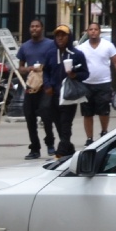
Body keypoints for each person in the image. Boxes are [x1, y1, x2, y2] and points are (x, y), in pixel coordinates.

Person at [17, 18, 60, 160]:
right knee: (29, 115)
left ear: (42, 28)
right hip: (31, 86)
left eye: (37, 26)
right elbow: (20, 67)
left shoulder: (50, 45)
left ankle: (50, 143)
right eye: (32, 26)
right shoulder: (25, 47)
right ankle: (34, 148)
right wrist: (28, 68)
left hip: (45, 86)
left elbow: (55, 63)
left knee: (46, 112)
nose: (34, 29)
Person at [77, 21, 116, 143]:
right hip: (86, 84)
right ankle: (89, 138)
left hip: (103, 83)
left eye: (95, 29)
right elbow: (76, 64)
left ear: (99, 31)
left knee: (104, 111)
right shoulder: (81, 48)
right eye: (90, 29)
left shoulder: (108, 46)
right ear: (87, 32)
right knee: (87, 113)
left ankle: (104, 132)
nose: (93, 31)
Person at [47, 25, 88, 158]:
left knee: (65, 123)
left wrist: (74, 75)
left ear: (68, 37)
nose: (60, 38)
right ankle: (68, 147)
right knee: (58, 123)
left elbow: (85, 73)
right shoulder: (51, 53)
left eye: (63, 35)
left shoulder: (77, 54)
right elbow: (45, 72)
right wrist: (47, 85)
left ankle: (61, 151)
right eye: (57, 35)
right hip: (54, 95)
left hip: (69, 95)